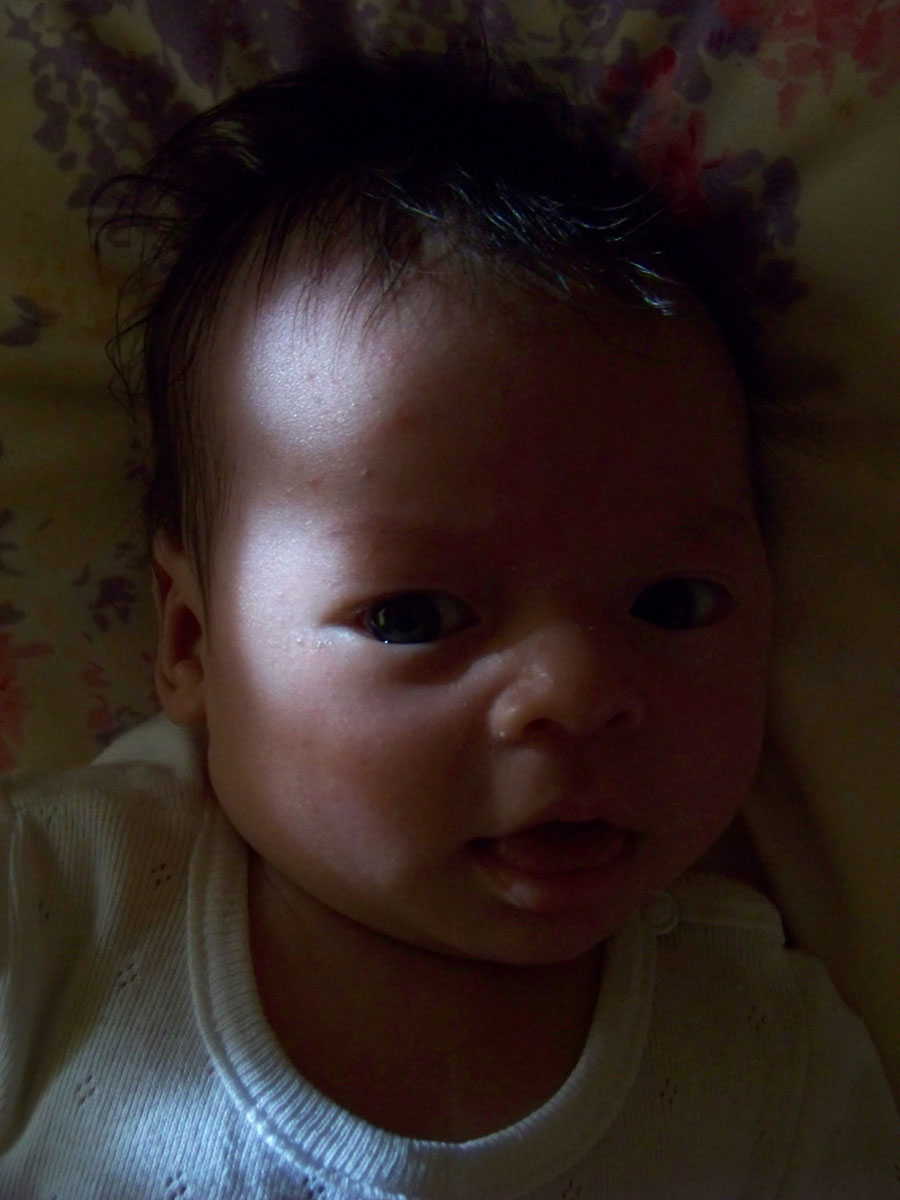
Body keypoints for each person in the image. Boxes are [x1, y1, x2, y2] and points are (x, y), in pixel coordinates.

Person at [1, 48, 898, 1199]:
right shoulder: (51, 907)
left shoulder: (776, 1064)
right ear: (191, 646)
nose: (577, 690)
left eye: (671, 604)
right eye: (416, 615)